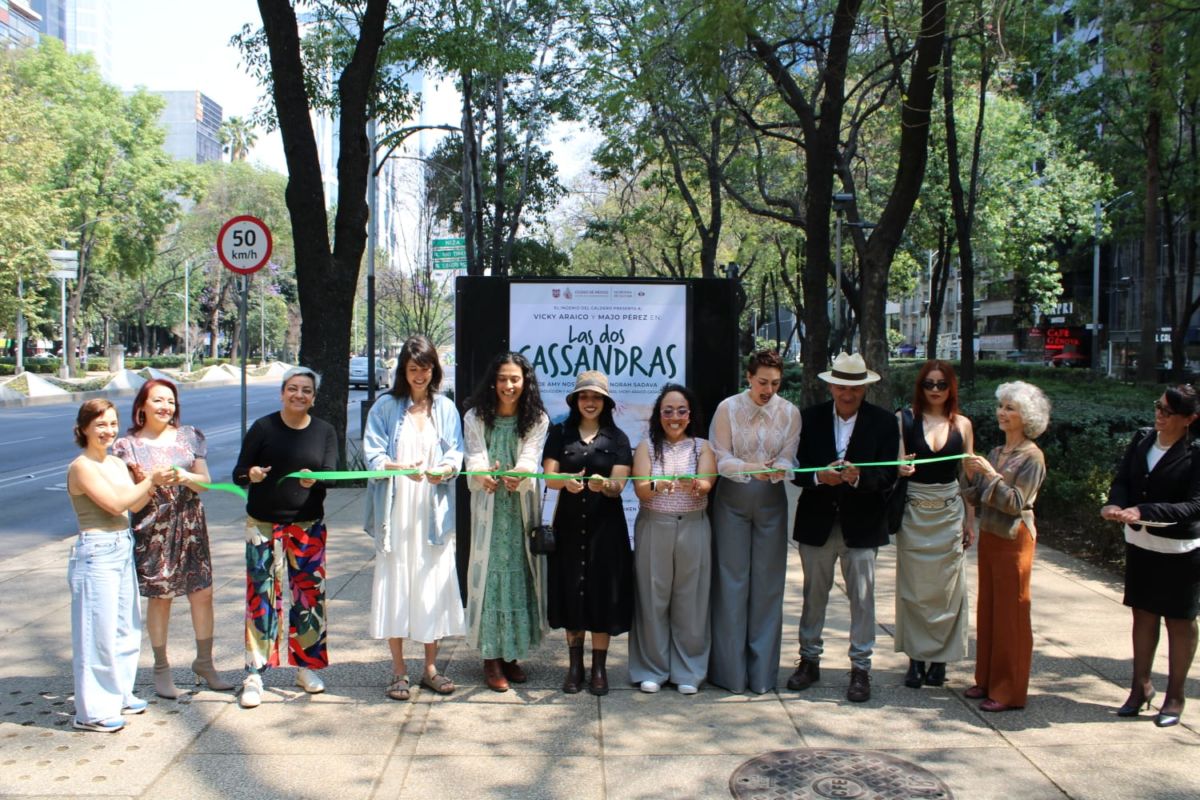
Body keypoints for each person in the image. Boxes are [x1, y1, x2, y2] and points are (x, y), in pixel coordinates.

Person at [787, 352, 899, 703]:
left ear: (864, 388)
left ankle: (861, 667)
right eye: (840, 386)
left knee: (863, 599)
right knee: (813, 595)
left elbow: (889, 475)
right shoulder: (810, 418)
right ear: (831, 385)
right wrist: (820, 476)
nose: (847, 394)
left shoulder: (882, 422)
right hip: (817, 520)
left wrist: (857, 477)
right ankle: (809, 659)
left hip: (862, 524)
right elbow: (793, 468)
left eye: (854, 387)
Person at [113, 379, 233, 699]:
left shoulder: (188, 437)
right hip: (153, 527)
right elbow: (132, 503)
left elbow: (205, 484)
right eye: (158, 400)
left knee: (202, 593)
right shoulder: (128, 446)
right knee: (160, 597)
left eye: (171, 401)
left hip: (190, 524)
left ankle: (205, 662)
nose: (166, 406)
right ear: (142, 406)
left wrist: (185, 476)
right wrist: (152, 481)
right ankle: (161, 668)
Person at [363, 336, 465, 701]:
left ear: (434, 370)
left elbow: (457, 451)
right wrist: (395, 467)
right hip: (396, 506)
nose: (419, 375)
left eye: (425, 368)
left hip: (433, 509)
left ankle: (431, 668)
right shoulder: (385, 407)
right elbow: (372, 453)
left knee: (431, 584)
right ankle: (398, 670)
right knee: (396, 581)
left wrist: (446, 468)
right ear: (402, 371)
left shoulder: (446, 408)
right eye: (412, 369)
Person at [232, 366, 339, 709]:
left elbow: (332, 475)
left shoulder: (323, 430)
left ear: (313, 398)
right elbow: (238, 474)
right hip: (263, 526)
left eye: (306, 390)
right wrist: (252, 474)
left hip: (308, 527)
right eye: (293, 389)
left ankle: (305, 666)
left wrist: (315, 480)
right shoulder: (263, 428)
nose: (299, 395)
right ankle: (254, 671)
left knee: (309, 599)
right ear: (282, 392)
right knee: (260, 597)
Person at [67, 399, 174, 732]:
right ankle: (92, 712)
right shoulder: (81, 466)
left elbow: (135, 504)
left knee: (124, 627)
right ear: (83, 428)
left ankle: (119, 693)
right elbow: (115, 505)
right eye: (100, 425)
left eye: (112, 424)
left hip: (121, 546)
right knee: (96, 633)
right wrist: (148, 481)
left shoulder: (115, 463)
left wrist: (151, 483)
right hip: (96, 551)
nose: (108, 431)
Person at [1101, 385, 1200, 728]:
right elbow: (1123, 480)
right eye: (1157, 407)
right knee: (1142, 615)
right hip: (1141, 543)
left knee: (1179, 621)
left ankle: (1175, 695)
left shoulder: (1195, 451)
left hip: (1178, 549)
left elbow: (1194, 505)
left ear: (1189, 419)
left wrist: (1144, 509)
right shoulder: (1143, 439)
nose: (1159, 414)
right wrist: (1115, 503)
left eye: (1167, 412)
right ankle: (1139, 686)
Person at [708, 350, 801, 694]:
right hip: (732, 501)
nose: (768, 389)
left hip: (771, 503)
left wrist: (781, 468)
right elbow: (721, 458)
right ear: (748, 377)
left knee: (768, 586)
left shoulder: (790, 412)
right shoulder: (727, 408)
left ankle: (762, 675)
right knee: (731, 585)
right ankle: (730, 673)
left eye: (775, 383)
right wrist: (754, 468)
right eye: (762, 382)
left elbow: (791, 459)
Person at [542, 371, 633, 695]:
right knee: (571, 592)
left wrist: (605, 485)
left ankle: (598, 669)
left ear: (605, 402)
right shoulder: (561, 433)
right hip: (568, 527)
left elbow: (619, 483)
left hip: (605, 529)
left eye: (596, 397)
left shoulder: (618, 438)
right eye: (584, 396)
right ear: (576, 400)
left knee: (602, 595)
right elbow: (549, 477)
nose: (590, 402)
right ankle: (574, 666)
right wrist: (565, 481)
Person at [463, 352, 550, 692]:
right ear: (493, 381)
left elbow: (532, 455)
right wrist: (484, 473)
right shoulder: (476, 416)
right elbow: (474, 454)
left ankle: (511, 655)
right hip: (489, 506)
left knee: (520, 572)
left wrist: (520, 473)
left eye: (515, 379)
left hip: (520, 507)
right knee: (490, 575)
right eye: (503, 379)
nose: (509, 385)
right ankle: (491, 658)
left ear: (525, 381)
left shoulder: (536, 418)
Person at [962, 381, 1050, 712]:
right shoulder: (998, 453)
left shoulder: (1033, 457)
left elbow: (1016, 502)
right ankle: (985, 678)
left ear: (1026, 416)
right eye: (1001, 406)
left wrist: (989, 476)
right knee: (989, 608)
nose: (1002, 413)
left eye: (1010, 408)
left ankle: (1009, 690)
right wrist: (970, 476)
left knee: (1012, 612)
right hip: (991, 534)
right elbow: (976, 497)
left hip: (1015, 538)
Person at [628, 383, 716, 694]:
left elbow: (707, 482)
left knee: (691, 600)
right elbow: (641, 488)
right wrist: (659, 484)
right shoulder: (646, 446)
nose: (674, 417)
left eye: (681, 410)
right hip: (655, 525)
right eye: (668, 411)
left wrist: (696, 484)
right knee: (653, 597)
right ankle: (652, 668)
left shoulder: (702, 447)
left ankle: (688, 671)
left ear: (690, 415)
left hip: (694, 526)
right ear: (658, 415)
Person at [893, 361, 975, 689]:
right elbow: (897, 464)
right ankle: (915, 659)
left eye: (942, 384)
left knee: (948, 589)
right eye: (930, 384)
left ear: (951, 387)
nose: (936, 390)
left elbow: (968, 477)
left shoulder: (964, 425)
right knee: (913, 591)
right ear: (921, 386)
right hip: (914, 513)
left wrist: (971, 521)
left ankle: (940, 659)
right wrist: (902, 470)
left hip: (949, 512)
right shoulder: (905, 419)